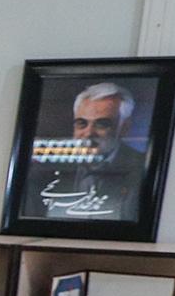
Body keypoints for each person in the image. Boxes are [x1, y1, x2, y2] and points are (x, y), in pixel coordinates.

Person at [35, 81, 144, 220]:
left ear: (124, 128)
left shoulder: (141, 170)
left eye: (101, 124)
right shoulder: (47, 170)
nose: (88, 133)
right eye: (82, 123)